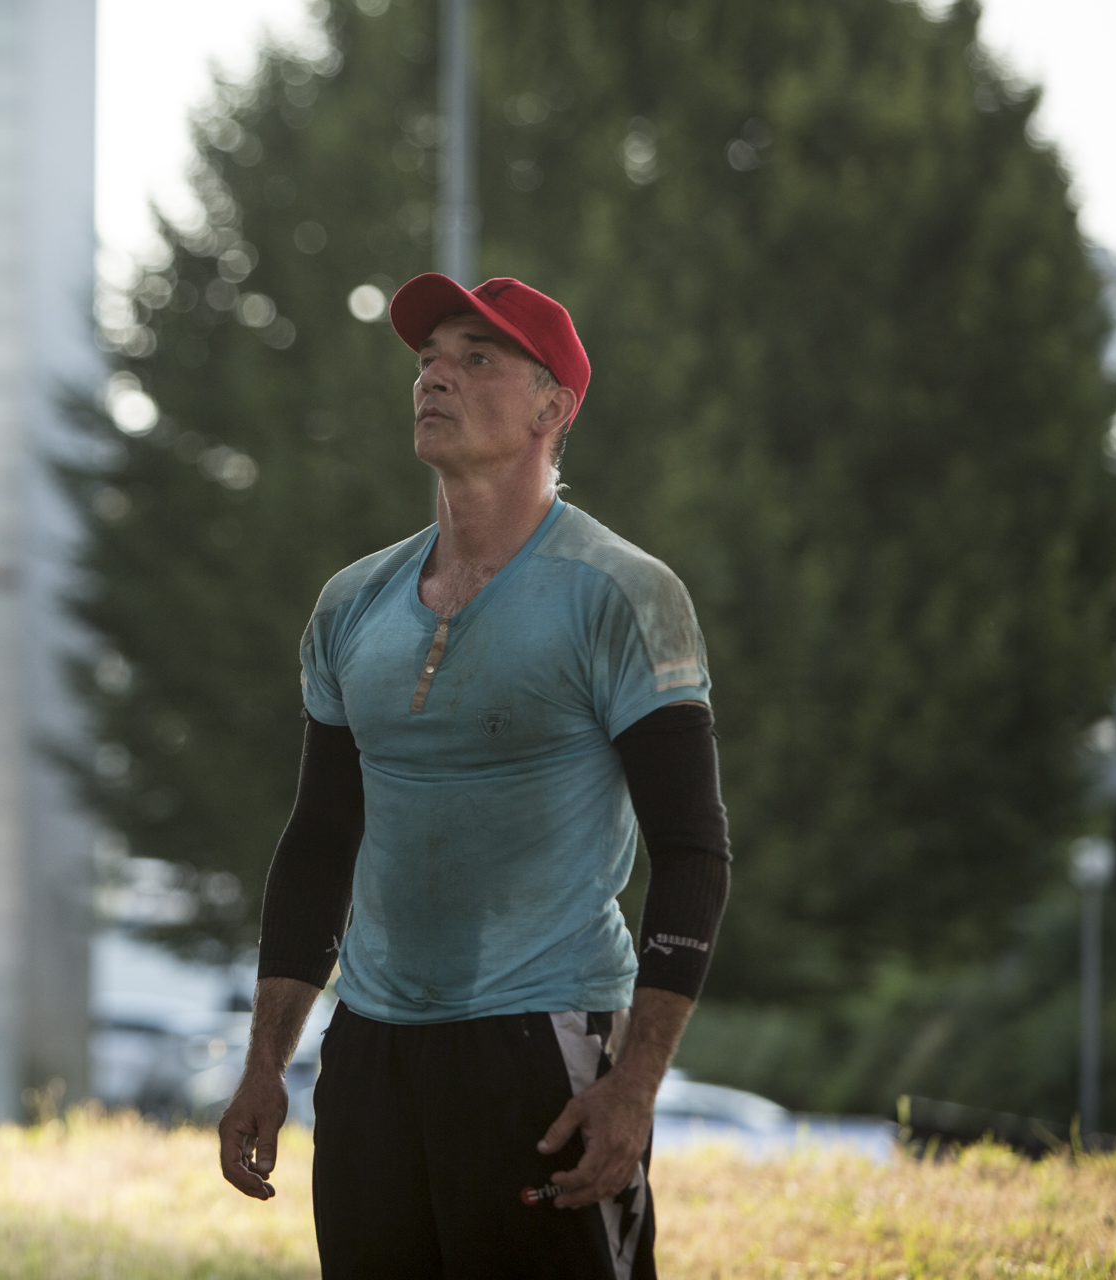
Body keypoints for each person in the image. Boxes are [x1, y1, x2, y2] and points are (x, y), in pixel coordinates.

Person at [216, 273, 731, 1279]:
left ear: (553, 408)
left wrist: (634, 1084)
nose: (434, 376)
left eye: (476, 357)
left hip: (545, 1039)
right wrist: (265, 1062)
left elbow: (692, 850)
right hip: (371, 1052)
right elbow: (319, 842)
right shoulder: (352, 603)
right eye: (427, 360)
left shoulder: (623, 592)